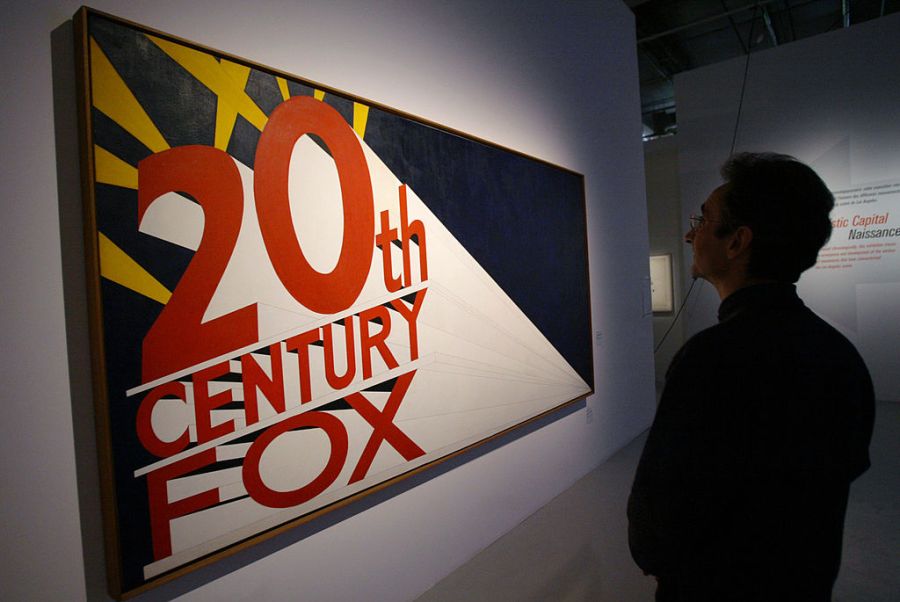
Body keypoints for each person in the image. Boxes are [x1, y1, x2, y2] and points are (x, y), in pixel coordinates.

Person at [627, 153, 875, 601]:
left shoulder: (710, 358)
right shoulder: (840, 355)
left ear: (737, 242)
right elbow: (845, 469)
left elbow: (661, 508)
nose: (690, 234)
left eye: (702, 220)